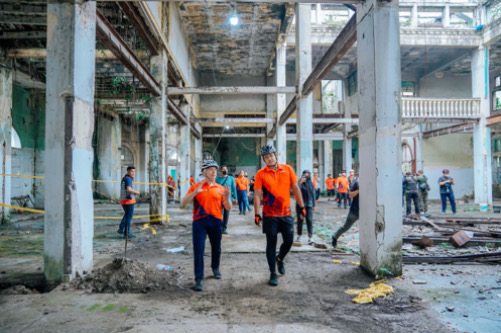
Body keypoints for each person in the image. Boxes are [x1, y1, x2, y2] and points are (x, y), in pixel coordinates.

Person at [253, 144, 305, 286]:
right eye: (266, 157)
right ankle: (272, 273)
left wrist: (302, 206)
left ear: (276, 155)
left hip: (286, 213)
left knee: (289, 240)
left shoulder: (288, 169)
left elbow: (295, 188)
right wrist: (257, 214)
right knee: (271, 243)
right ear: (264, 159)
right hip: (269, 216)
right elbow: (257, 195)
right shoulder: (260, 174)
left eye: (271, 155)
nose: (269, 159)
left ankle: (280, 258)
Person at [181, 160, 232, 292]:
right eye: (210, 169)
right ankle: (199, 278)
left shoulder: (220, 189)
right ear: (204, 172)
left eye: (215, 169)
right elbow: (183, 203)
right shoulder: (196, 187)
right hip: (200, 222)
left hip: (216, 221)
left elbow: (228, 207)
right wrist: (195, 193)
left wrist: (226, 198)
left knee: (216, 247)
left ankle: (215, 268)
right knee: (199, 249)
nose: (214, 171)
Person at [332, 173, 359, 247]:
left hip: (366, 211)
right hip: (355, 211)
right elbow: (350, 195)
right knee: (346, 227)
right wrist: (357, 191)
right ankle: (335, 236)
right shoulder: (357, 183)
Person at [117, 166, 140, 239]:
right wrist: (136, 192)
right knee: (128, 217)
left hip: (124, 200)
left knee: (126, 215)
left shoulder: (125, 178)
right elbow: (129, 189)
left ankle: (121, 229)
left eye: (134, 171)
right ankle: (127, 234)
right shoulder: (128, 179)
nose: (133, 173)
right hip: (128, 201)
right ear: (128, 172)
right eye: (131, 171)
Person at [216, 165, 238, 234]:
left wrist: (235, 198)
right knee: (219, 214)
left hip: (228, 199)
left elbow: (234, 188)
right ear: (220, 171)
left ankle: (224, 228)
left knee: (226, 214)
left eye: (226, 169)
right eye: (223, 170)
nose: (225, 170)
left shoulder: (231, 178)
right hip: (219, 199)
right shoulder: (217, 179)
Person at [296, 170, 316, 244]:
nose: (306, 176)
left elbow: (313, 195)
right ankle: (299, 235)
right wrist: (300, 183)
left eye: (308, 174)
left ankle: (310, 237)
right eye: (305, 174)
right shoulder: (299, 183)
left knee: (309, 221)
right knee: (300, 221)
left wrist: (313, 205)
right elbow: (296, 191)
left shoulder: (311, 183)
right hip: (300, 205)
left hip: (309, 205)